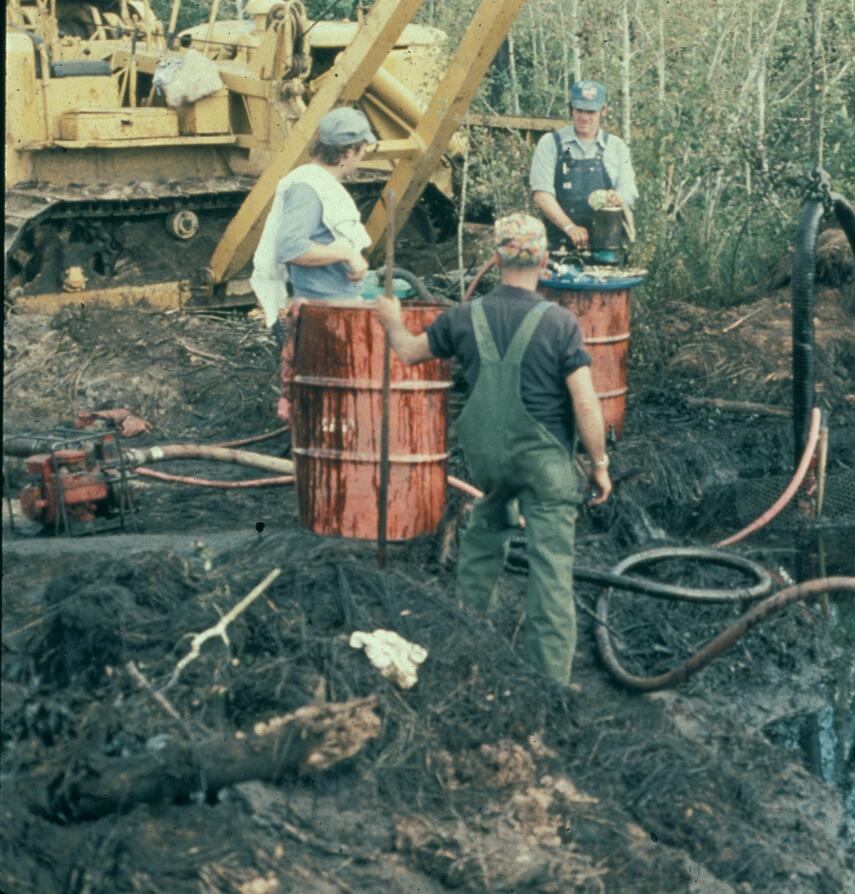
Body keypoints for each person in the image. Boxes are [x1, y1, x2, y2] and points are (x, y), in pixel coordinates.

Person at [375, 213, 613, 686]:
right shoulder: (560, 324)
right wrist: (600, 464)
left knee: (486, 529)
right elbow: (586, 402)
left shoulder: (463, 317)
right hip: (543, 468)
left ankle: (467, 654)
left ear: (495, 259)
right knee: (550, 571)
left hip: (488, 463)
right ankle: (549, 687)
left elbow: (407, 351)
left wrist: (390, 320)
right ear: (544, 261)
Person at [250, 107, 377, 420]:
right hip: (325, 315)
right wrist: (346, 253)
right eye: (361, 150)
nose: (362, 158)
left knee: (336, 404)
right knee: (333, 407)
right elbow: (291, 248)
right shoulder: (307, 188)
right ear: (347, 152)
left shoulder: (319, 183)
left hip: (337, 308)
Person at [529, 80, 638, 253]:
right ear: (571, 108)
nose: (584, 117)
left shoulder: (618, 147)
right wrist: (570, 227)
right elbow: (541, 194)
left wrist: (619, 197)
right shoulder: (550, 143)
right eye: (579, 110)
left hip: (607, 246)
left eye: (591, 111)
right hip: (559, 245)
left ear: (603, 110)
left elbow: (629, 189)